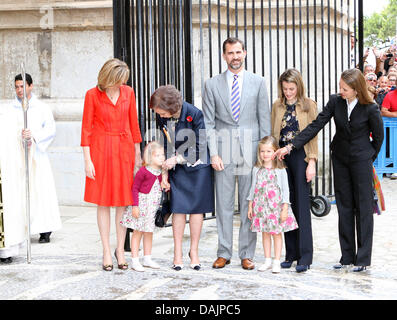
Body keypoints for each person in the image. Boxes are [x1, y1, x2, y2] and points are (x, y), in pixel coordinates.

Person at [274, 68, 384, 272]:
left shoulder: (370, 108)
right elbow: (316, 125)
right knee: (344, 206)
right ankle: (347, 257)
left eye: (345, 88)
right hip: (340, 159)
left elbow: (378, 138)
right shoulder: (335, 102)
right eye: (340, 87)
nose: (340, 91)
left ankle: (363, 259)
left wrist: (368, 157)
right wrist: (292, 145)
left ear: (356, 89)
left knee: (363, 208)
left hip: (361, 160)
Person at [202, 37, 271, 270]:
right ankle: (223, 252)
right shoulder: (211, 85)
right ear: (224, 56)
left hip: (251, 151)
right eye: (230, 53)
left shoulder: (259, 82)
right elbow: (209, 123)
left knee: (248, 202)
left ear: (246, 53)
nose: (235, 57)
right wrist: (213, 153)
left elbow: (264, 121)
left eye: (238, 52)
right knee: (223, 203)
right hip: (223, 150)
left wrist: (265, 155)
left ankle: (246, 253)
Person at [81, 58, 142, 271]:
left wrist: (137, 155)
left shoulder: (128, 93)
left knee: (123, 203)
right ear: (107, 78)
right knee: (103, 202)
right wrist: (87, 160)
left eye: (122, 81)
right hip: (100, 151)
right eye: (117, 81)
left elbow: (134, 124)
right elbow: (86, 129)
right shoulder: (92, 95)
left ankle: (119, 250)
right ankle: (106, 250)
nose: (120, 85)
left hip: (124, 150)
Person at [150, 85, 214, 271]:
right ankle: (177, 253)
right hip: (175, 168)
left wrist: (177, 159)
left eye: (161, 111)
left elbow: (201, 145)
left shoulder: (194, 114)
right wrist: (164, 174)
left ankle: (194, 251)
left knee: (196, 210)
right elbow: (164, 144)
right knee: (178, 209)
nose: (159, 115)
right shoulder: (162, 116)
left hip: (196, 167)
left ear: (171, 107)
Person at [0, 73, 62, 262]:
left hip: (37, 155)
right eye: (17, 87)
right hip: (16, 156)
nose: (19, 90)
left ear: (30, 86)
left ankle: (44, 228)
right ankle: (22, 228)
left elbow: (50, 129)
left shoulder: (41, 108)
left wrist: (33, 136)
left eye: (22, 86)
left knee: (40, 190)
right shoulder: (8, 109)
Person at [271, 68, 318, 273]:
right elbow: (272, 132)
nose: (288, 92)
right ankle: (290, 254)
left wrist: (312, 161)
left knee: (301, 205)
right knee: (286, 204)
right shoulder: (277, 106)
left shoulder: (309, 105)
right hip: (282, 157)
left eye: (292, 88)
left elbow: (313, 135)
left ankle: (305, 256)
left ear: (299, 86)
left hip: (301, 156)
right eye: (285, 88)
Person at [247, 136, 298, 273]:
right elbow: (253, 188)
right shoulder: (257, 169)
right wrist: (251, 205)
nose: (265, 154)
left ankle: (276, 261)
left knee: (276, 233)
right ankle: (267, 260)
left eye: (269, 151)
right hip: (261, 206)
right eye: (263, 151)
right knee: (264, 233)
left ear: (275, 152)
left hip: (276, 207)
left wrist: (285, 208)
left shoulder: (280, 170)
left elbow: (286, 190)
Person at [120, 141, 165, 271]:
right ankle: (135, 259)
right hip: (141, 207)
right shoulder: (143, 171)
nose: (162, 157)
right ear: (150, 157)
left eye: (162, 155)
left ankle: (147, 258)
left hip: (152, 208)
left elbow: (158, 187)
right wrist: (135, 206)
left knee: (149, 232)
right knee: (137, 232)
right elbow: (134, 188)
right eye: (158, 155)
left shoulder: (161, 172)